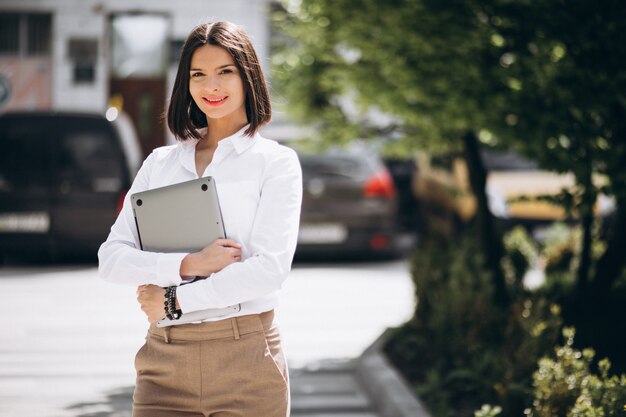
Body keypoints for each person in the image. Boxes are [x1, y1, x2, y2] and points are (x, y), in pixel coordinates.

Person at [98, 21, 302, 417]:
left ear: (249, 78)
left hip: (247, 357)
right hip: (164, 363)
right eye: (198, 75)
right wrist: (188, 264)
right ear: (185, 85)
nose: (212, 86)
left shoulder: (275, 163)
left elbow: (268, 270)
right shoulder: (161, 164)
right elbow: (112, 258)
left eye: (225, 72)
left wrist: (174, 299)